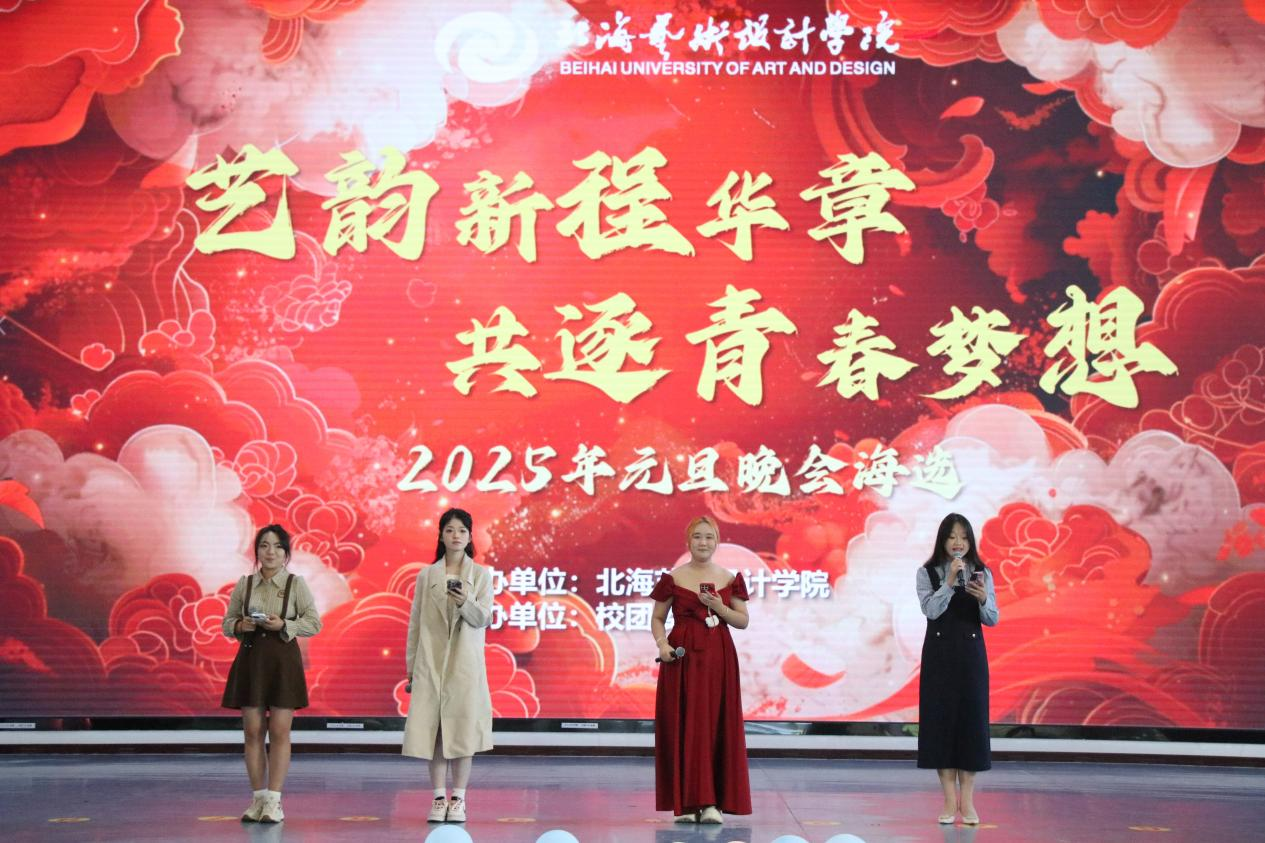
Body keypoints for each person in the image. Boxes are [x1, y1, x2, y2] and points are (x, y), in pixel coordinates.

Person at [649, 515, 752, 824]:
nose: (703, 542)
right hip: (681, 661)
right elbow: (657, 618)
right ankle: (686, 803)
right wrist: (662, 645)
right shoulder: (673, 578)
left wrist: (719, 607)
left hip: (718, 660)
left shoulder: (729, 578)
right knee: (683, 724)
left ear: (716, 541)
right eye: (697, 537)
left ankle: (712, 804)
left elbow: (742, 621)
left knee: (715, 724)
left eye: (708, 537)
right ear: (688, 541)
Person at [221, 524, 322, 823]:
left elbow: (314, 623)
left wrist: (285, 625)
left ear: (286, 553)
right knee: (252, 731)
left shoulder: (295, 584)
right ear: (257, 551)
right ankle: (258, 799)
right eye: (264, 545)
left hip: (283, 662)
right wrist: (241, 625)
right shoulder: (245, 584)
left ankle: (275, 801)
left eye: (278, 546)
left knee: (279, 731)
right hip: (251, 660)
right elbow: (227, 623)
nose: (270, 552)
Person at [402, 508, 494, 824]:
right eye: (450, 530)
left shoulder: (480, 575)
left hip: (465, 665)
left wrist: (465, 601)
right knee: (436, 733)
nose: (456, 535)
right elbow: (415, 624)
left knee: (463, 733)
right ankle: (439, 797)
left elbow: (484, 618)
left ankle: (459, 799)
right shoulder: (427, 575)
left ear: (470, 537)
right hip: (430, 662)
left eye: (462, 531)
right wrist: (412, 667)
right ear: (441, 535)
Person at [916, 512, 999, 826]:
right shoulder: (926, 572)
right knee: (942, 726)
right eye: (952, 537)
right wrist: (949, 582)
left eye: (963, 537)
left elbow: (993, 618)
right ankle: (949, 800)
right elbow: (930, 611)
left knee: (970, 726)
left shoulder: (982, 572)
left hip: (971, 658)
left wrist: (983, 600)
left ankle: (968, 802)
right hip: (939, 658)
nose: (958, 543)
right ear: (943, 540)